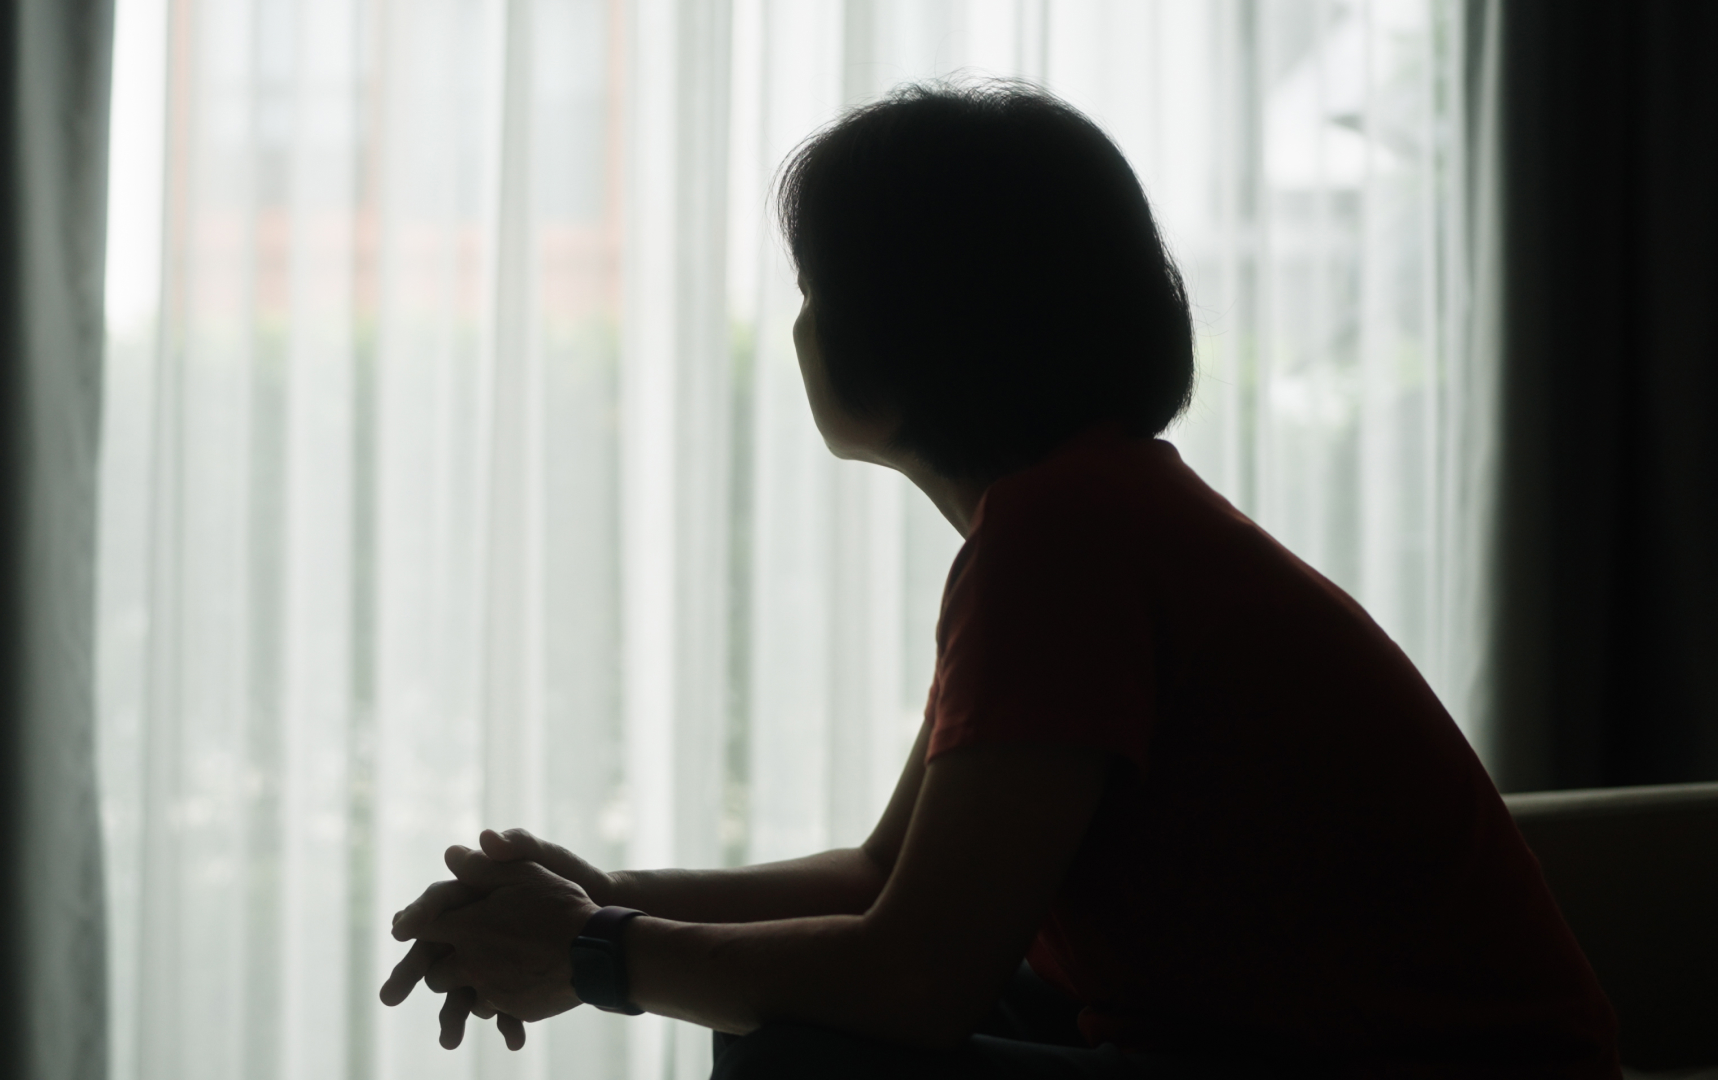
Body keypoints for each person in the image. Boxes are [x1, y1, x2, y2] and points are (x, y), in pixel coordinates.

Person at [377, 80, 1620, 1080]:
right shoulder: (1085, 514)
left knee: (801, 1058)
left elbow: (915, 978)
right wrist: (603, 897)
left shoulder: (1065, 540)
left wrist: (594, 954)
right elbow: (885, 879)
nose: (800, 328)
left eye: (815, 291)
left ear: (902, 330)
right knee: (792, 1014)